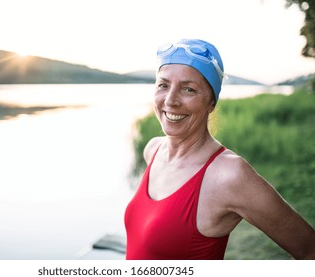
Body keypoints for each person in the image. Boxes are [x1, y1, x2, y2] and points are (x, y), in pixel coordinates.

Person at [124, 38, 315, 260]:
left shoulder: (229, 175)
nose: (170, 100)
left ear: (211, 103)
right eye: (163, 85)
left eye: (188, 89)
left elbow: (308, 249)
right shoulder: (153, 149)